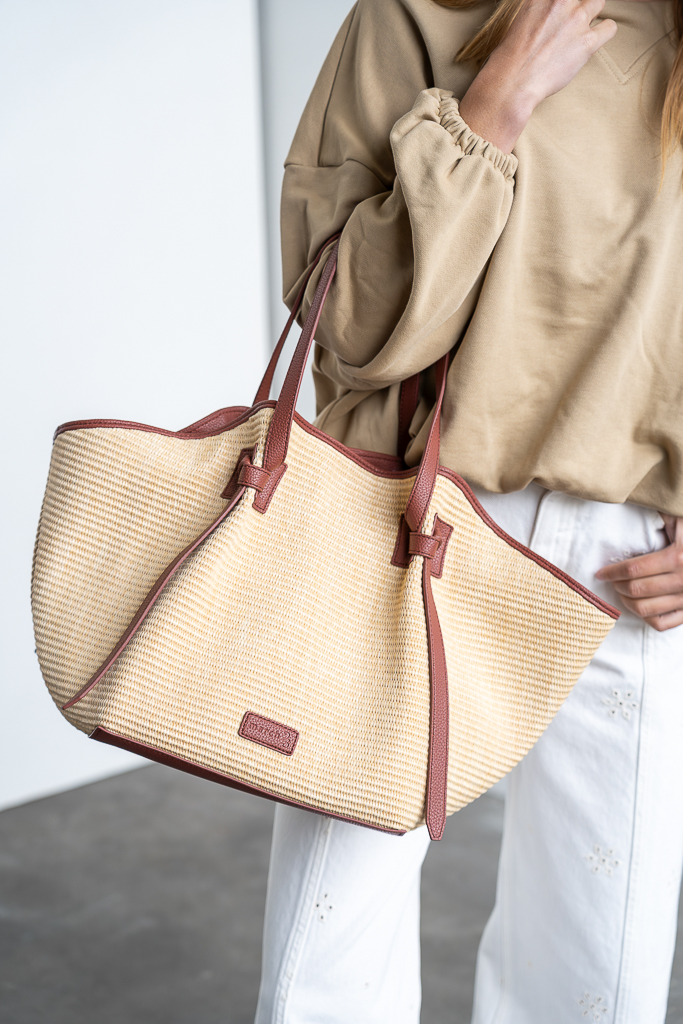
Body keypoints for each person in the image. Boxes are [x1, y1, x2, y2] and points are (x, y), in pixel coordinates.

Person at [254, 0, 683, 1019]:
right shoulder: (415, 14)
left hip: (629, 571)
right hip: (406, 525)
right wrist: (490, 110)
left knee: (594, 983)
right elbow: (344, 320)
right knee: (326, 961)